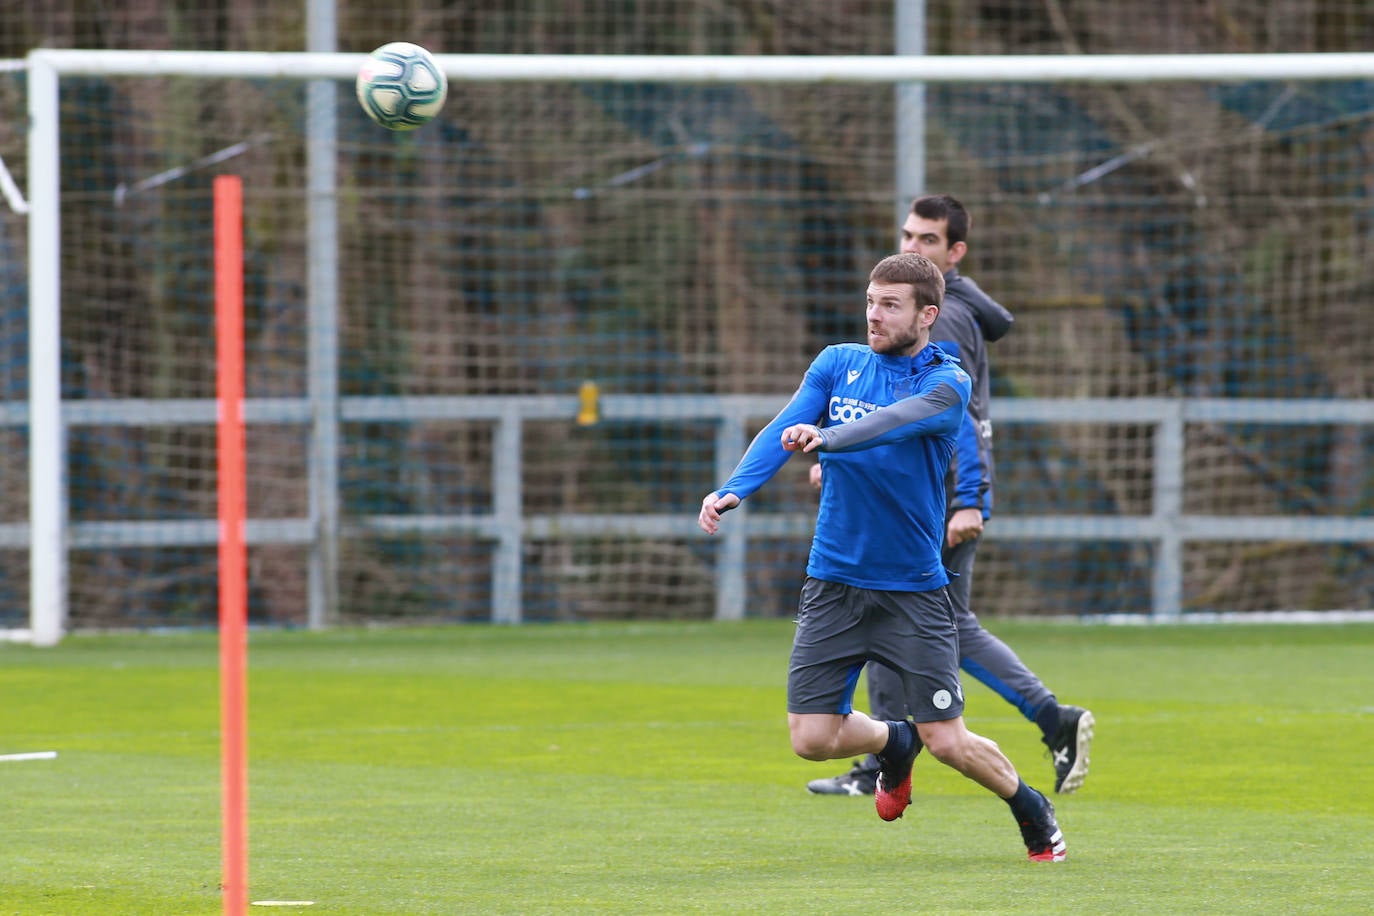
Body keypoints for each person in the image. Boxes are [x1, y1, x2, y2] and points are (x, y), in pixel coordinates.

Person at [698, 252, 1067, 862]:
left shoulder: (948, 384)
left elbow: (892, 424)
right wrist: (734, 487)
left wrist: (829, 438)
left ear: (928, 314)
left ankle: (1030, 806)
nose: (873, 315)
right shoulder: (837, 362)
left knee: (947, 742)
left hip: (913, 592)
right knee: (812, 739)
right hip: (833, 582)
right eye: (870, 301)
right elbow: (783, 425)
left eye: (889, 305)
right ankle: (894, 743)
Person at [807, 195, 1094, 800]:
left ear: (954, 253)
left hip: (939, 500)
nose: (912, 248)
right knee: (929, 622)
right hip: (936, 494)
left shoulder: (942, 319)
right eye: (908, 235)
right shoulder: (937, 306)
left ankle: (893, 758)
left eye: (927, 241)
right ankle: (1044, 721)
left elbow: (951, 418)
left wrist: (968, 498)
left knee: (917, 620)